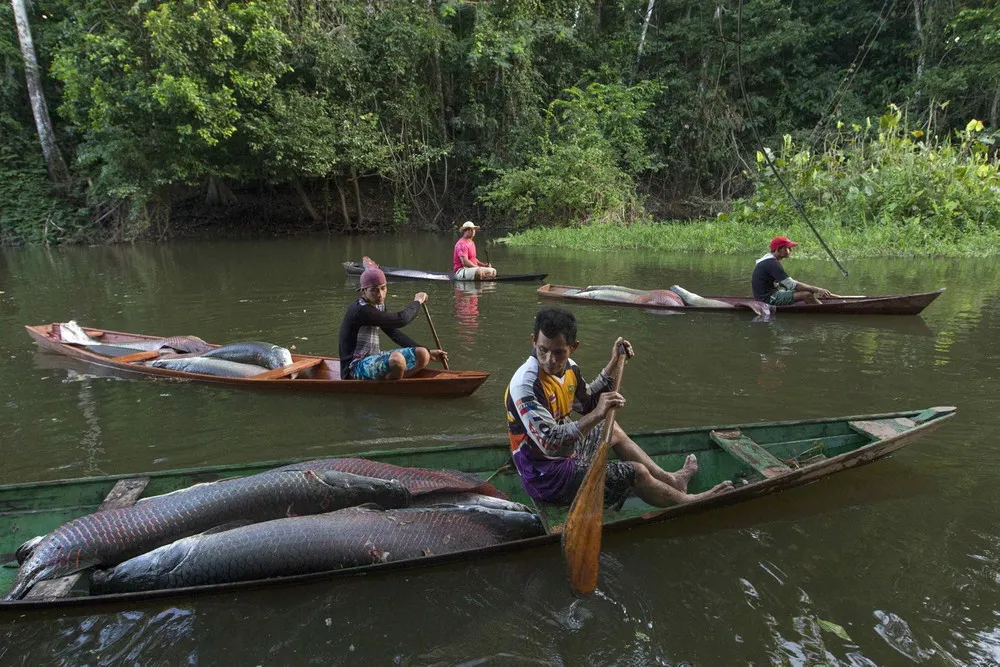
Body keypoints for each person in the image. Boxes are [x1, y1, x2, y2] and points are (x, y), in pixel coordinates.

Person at [504, 307, 733, 508]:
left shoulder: (570, 368)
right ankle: (687, 502)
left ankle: (671, 481)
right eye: (543, 350)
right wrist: (598, 413)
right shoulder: (527, 384)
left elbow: (587, 401)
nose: (549, 360)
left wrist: (613, 364)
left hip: (566, 455)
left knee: (611, 428)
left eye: (558, 352)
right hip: (546, 476)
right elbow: (550, 443)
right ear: (533, 341)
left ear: (573, 347)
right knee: (636, 472)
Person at [339, 266, 448, 380]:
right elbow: (401, 320)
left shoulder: (378, 305)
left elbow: (393, 332)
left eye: (383, 288)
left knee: (423, 354)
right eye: (374, 290)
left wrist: (429, 352)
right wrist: (417, 301)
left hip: (374, 357)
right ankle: (393, 382)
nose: (380, 294)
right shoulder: (361, 310)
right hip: (354, 367)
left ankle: (397, 378)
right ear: (364, 291)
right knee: (397, 360)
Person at [752, 236, 832, 305]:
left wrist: (811, 289)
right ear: (779, 249)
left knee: (806, 290)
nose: (790, 250)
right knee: (807, 294)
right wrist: (817, 290)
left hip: (765, 295)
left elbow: (784, 283)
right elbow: (792, 285)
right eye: (788, 248)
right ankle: (823, 310)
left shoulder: (768, 260)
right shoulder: (772, 263)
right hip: (767, 299)